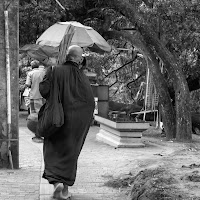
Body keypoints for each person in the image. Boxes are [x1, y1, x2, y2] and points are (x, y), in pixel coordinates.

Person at [39, 45, 95, 199]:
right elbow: (90, 101)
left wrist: (50, 72)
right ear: (79, 59)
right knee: (71, 153)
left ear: (66, 56)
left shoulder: (54, 70)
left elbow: (44, 91)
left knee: (53, 149)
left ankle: (57, 183)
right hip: (76, 123)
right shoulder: (82, 77)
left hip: (56, 120)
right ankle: (65, 190)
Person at [25, 60, 46, 143]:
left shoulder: (30, 73)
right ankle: (43, 133)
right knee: (43, 115)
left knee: (34, 117)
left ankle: (37, 135)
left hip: (34, 96)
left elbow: (27, 84)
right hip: (44, 97)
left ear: (32, 66)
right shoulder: (44, 72)